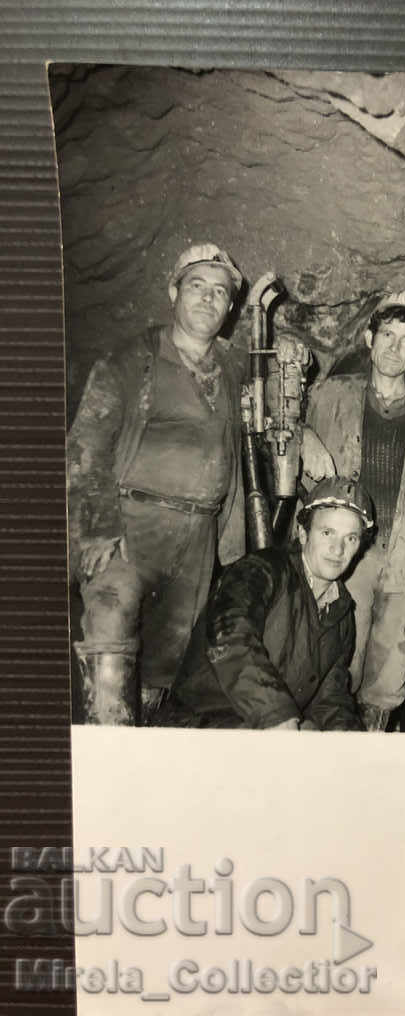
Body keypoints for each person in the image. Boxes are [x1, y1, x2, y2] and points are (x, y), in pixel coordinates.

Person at [67, 243, 246, 725]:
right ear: (173, 292)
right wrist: (98, 528)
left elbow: (267, 412)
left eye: (220, 292)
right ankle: (105, 750)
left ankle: (141, 762)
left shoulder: (232, 368)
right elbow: (86, 446)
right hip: (131, 525)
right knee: (111, 628)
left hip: (198, 541)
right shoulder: (132, 359)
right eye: (196, 287)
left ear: (230, 308)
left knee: (168, 664)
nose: (208, 300)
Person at [304, 291, 405, 731]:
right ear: (369, 338)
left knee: (387, 680)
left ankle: (370, 763)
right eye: (387, 335)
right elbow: (274, 423)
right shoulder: (329, 395)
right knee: (338, 665)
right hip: (347, 556)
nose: (395, 347)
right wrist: (303, 437)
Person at [166, 478, 373, 731]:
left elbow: (330, 699)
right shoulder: (263, 570)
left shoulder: (341, 614)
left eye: (350, 538)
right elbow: (230, 633)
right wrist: (276, 715)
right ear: (303, 533)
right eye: (327, 532)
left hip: (266, 729)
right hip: (204, 723)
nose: (338, 548)